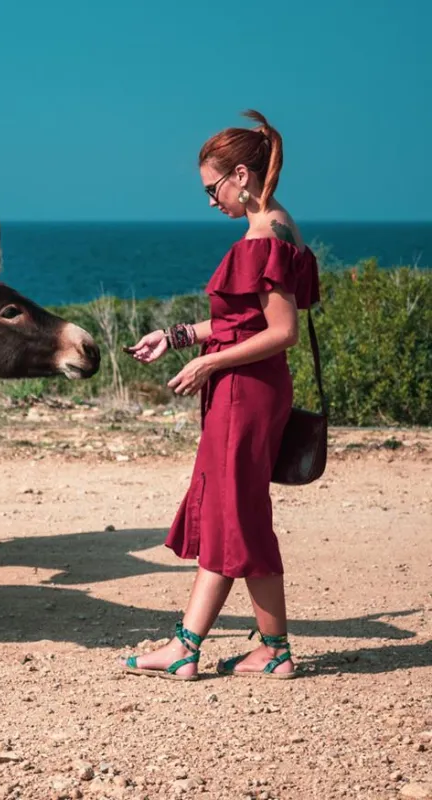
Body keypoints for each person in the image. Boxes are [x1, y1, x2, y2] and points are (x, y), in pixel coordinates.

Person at [120, 110, 321, 680]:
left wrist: (209, 361)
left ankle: (213, 648)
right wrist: (177, 336)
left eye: (213, 189)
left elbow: (282, 332)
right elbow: (241, 323)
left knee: (237, 515)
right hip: (252, 387)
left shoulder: (264, 239)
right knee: (234, 513)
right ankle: (246, 647)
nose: (211, 202)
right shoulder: (282, 227)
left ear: (241, 176)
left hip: (245, 393)